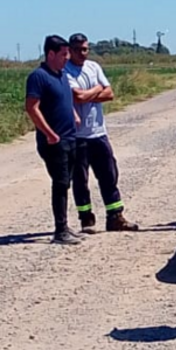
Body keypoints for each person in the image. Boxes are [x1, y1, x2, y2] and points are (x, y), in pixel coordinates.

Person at [65, 33, 139, 233]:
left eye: (85, 49)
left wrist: (91, 94)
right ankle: (86, 218)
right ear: (70, 50)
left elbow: (110, 94)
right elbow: (78, 97)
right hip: (78, 135)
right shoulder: (66, 71)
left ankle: (115, 217)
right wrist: (97, 89)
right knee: (80, 179)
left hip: (99, 133)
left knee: (109, 175)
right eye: (78, 49)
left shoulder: (94, 67)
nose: (82, 53)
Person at [25, 35, 82, 244]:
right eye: (64, 54)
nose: (67, 58)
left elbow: (64, 101)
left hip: (70, 137)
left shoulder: (61, 75)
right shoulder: (38, 77)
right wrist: (49, 133)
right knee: (60, 183)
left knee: (66, 182)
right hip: (53, 141)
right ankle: (60, 231)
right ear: (51, 54)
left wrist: (73, 114)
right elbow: (32, 108)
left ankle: (65, 225)